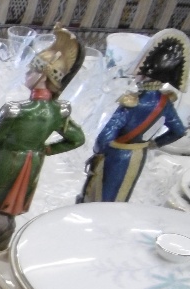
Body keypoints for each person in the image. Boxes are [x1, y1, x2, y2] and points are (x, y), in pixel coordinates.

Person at [0, 25, 86, 274]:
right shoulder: (58, 112)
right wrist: (45, 150)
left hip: (6, 164)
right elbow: (76, 139)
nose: (28, 72)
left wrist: (5, 125)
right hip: (31, 165)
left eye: (33, 69)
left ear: (44, 75)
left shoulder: (18, 111)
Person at [78, 29, 190, 204]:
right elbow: (178, 130)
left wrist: (98, 151)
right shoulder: (165, 102)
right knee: (121, 194)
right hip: (139, 154)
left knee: (98, 193)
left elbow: (106, 135)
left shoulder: (132, 101)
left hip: (117, 153)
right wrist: (153, 144)